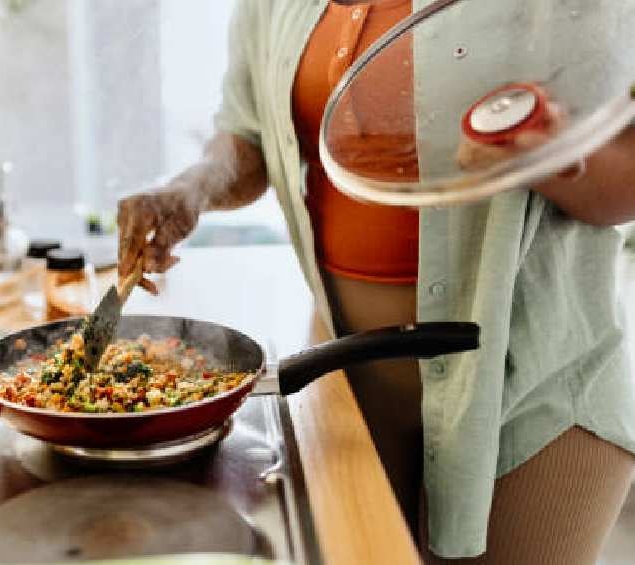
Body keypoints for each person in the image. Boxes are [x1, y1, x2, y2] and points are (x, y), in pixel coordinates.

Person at [117, 1, 635, 563]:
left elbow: (623, 182)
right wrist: (190, 189)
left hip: (535, 375)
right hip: (346, 371)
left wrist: (554, 161)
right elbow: (248, 135)